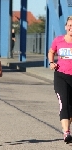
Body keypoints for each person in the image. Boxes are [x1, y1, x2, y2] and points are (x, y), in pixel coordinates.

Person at [48, 16, 72, 144]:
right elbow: (51, 52)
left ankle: (67, 126)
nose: (71, 28)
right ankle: (66, 133)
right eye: (69, 25)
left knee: (71, 107)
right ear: (65, 27)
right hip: (61, 76)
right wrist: (52, 62)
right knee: (64, 103)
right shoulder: (58, 40)